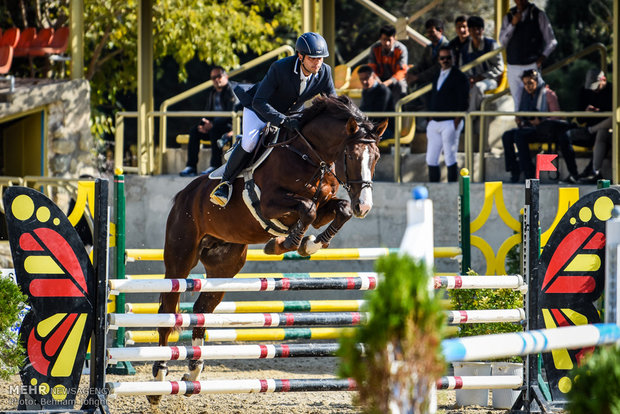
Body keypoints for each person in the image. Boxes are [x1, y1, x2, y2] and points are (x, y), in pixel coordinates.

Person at [210, 32, 337, 207]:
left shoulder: (325, 72)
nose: (318, 63)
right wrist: (283, 121)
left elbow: (332, 103)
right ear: (300, 56)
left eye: (321, 58)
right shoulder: (280, 68)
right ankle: (225, 183)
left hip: (291, 113)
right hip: (259, 109)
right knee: (250, 143)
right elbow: (259, 101)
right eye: (313, 58)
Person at [501, 69, 560, 182]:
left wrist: (541, 121)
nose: (527, 86)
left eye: (530, 83)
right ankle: (514, 169)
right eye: (525, 84)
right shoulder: (525, 95)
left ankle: (529, 172)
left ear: (537, 81)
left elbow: (557, 118)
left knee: (519, 135)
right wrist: (520, 119)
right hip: (528, 128)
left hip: (544, 130)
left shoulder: (548, 94)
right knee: (507, 136)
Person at [180, 66, 238, 177]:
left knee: (214, 131)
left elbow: (231, 114)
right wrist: (204, 124)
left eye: (219, 76)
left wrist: (212, 125)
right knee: (195, 131)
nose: (216, 79)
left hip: (228, 128)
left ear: (226, 76)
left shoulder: (232, 91)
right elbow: (208, 112)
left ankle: (215, 165)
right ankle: (191, 167)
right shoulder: (213, 93)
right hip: (214, 126)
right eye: (213, 78)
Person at [499, 0, 557, 110]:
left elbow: (552, 41)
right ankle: (521, 125)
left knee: (538, 101)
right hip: (513, 66)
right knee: (518, 103)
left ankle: (538, 125)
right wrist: (513, 24)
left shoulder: (538, 15)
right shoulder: (509, 16)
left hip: (531, 65)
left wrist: (541, 58)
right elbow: (502, 41)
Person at [558, 69, 613, 183]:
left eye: (597, 87)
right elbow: (579, 118)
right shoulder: (584, 91)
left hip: (602, 130)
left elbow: (613, 118)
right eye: (592, 88)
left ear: (604, 80)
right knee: (565, 136)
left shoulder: (612, 91)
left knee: (603, 133)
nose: (594, 90)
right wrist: (586, 112)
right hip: (588, 130)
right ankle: (574, 174)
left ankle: (591, 172)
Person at [425, 46, 469, 182]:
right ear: (439, 60)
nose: (445, 60)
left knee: (450, 155)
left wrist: (457, 118)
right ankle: (434, 187)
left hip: (450, 121)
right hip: (435, 121)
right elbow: (433, 95)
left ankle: (452, 186)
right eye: (442, 58)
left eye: (448, 57)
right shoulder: (437, 74)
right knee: (431, 157)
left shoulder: (460, 76)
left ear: (453, 58)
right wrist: (430, 117)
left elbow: (464, 99)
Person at [460, 16, 504, 111]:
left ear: (483, 30)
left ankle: (470, 116)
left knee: (478, 87)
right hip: (471, 81)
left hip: (490, 80)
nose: (476, 32)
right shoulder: (465, 49)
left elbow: (499, 67)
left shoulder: (491, 45)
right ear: (469, 31)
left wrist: (481, 77)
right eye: (473, 29)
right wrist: (469, 79)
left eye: (478, 29)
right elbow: (462, 69)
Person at [368, 24, 409, 102]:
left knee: (401, 85)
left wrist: (388, 82)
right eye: (384, 40)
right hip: (379, 79)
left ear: (394, 38)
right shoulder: (374, 48)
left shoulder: (401, 49)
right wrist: (378, 81)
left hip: (394, 80)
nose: (387, 43)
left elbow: (402, 71)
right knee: (367, 83)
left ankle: (399, 111)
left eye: (389, 40)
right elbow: (371, 68)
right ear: (380, 38)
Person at [406, 18, 450, 89]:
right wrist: (410, 72)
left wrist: (417, 77)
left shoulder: (447, 47)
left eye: (432, 32)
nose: (429, 35)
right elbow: (422, 64)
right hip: (427, 80)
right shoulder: (429, 48)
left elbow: (439, 67)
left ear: (440, 31)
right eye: (428, 32)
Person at [358, 65, 394, 139]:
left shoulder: (383, 90)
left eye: (366, 78)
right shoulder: (365, 90)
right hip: (371, 126)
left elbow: (378, 114)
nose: (364, 82)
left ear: (374, 76)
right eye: (361, 79)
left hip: (385, 129)